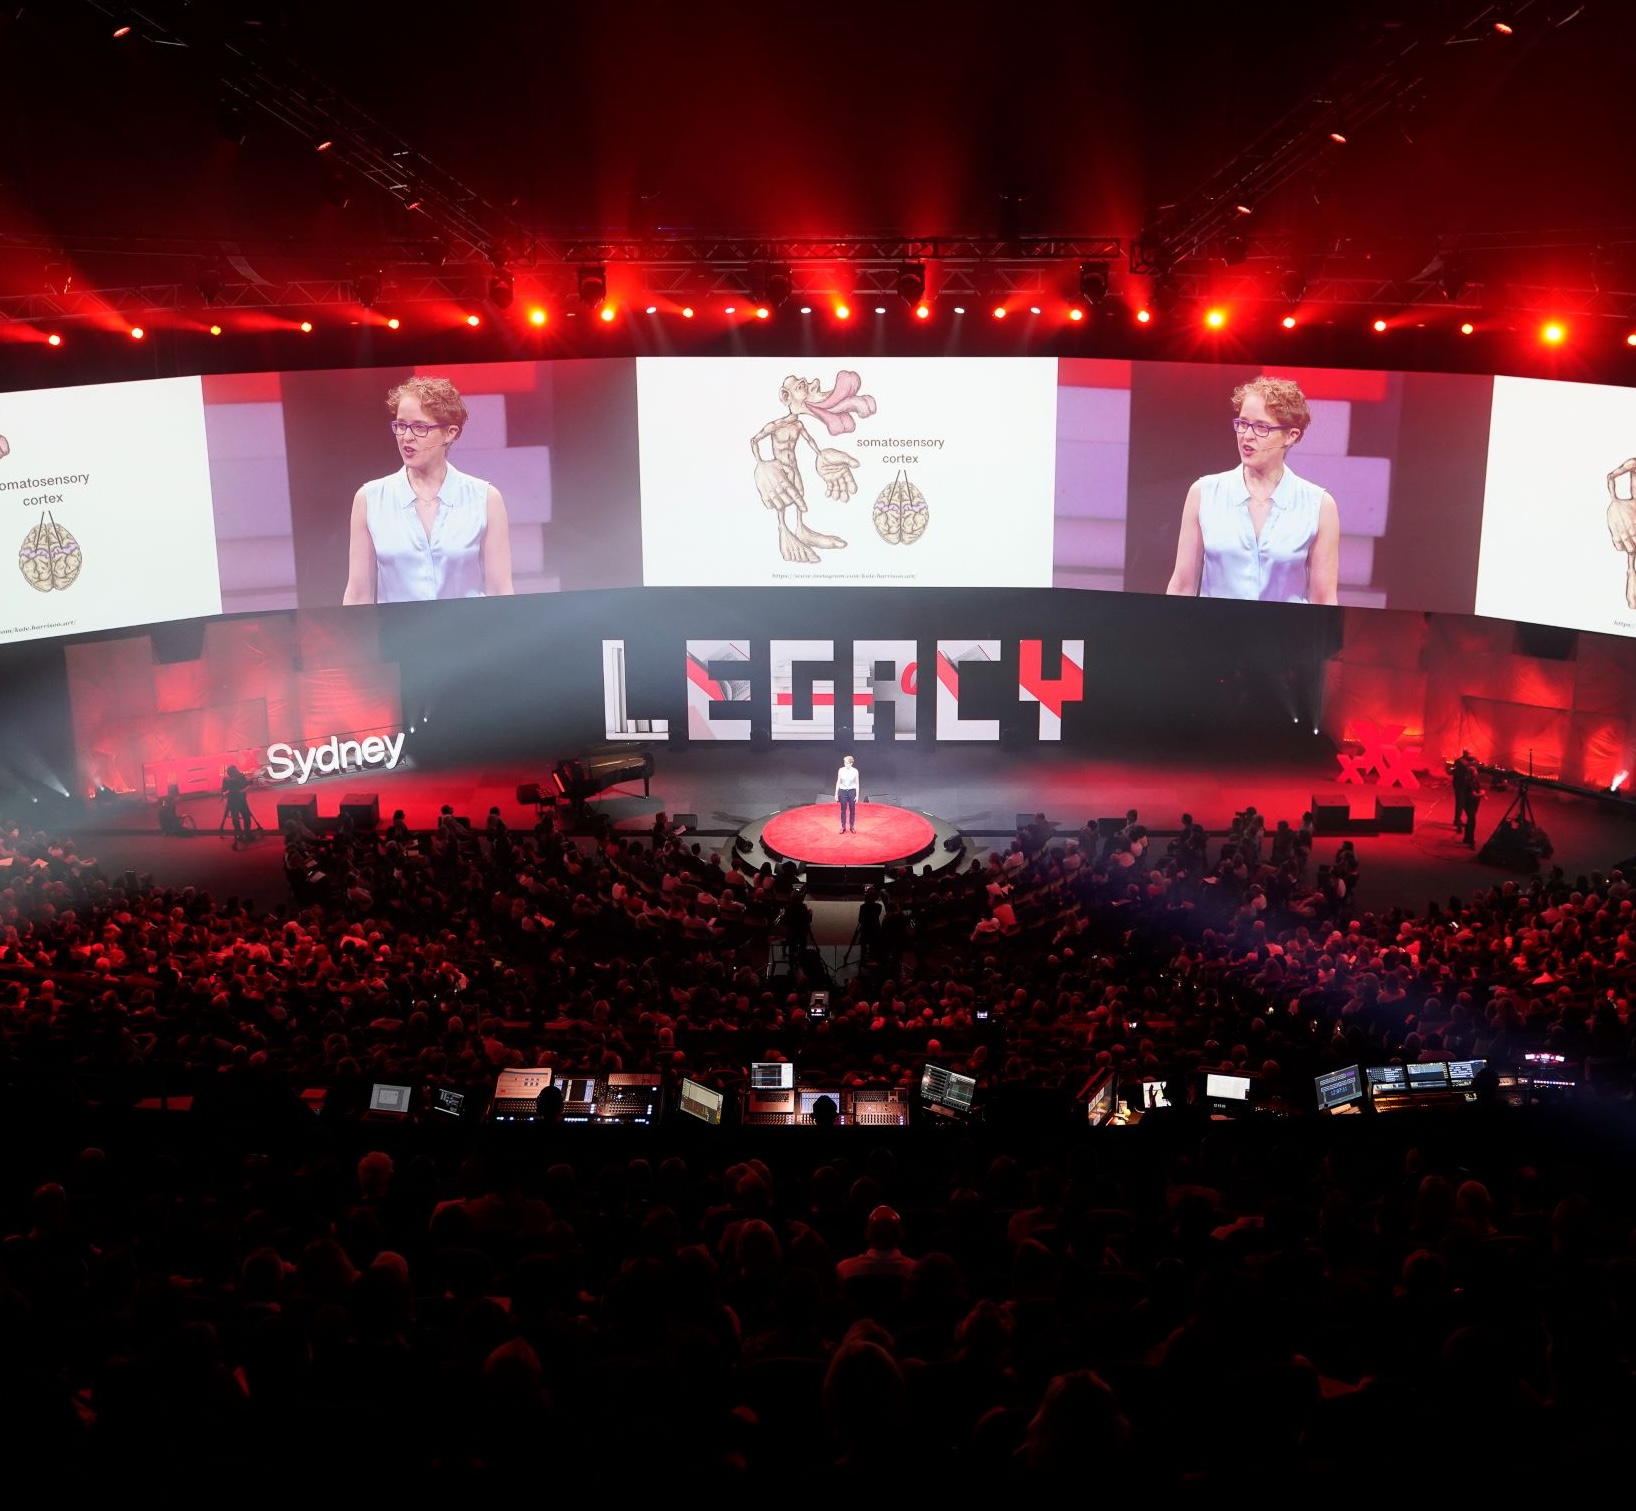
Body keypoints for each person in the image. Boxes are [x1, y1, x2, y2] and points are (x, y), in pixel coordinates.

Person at [1165, 375, 1340, 604]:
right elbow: (1182, 586)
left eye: (1261, 427)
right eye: (1243, 423)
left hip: (1284, 637)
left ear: (1291, 436)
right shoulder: (1204, 493)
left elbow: (1323, 599)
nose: (1247, 436)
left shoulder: (1319, 505)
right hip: (1214, 633)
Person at [343, 376, 514, 604]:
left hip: (470, 634)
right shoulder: (370, 499)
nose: (406, 437)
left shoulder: (484, 498)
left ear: (450, 432)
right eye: (401, 425)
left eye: (419, 427)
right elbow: (358, 594)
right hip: (398, 636)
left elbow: (500, 591)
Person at [1451, 750, 1483, 847]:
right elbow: (1456, 773)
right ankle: (1458, 821)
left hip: (1468, 795)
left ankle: (1467, 837)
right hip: (1461, 788)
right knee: (1461, 806)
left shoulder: (1473, 765)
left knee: (1470, 817)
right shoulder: (1459, 762)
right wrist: (1481, 794)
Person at [221, 764, 254, 847]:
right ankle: (240, 835)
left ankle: (247, 833)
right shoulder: (227, 780)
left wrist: (242, 791)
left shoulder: (241, 777)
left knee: (246, 817)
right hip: (233, 802)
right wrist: (226, 793)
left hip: (241, 801)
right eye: (234, 771)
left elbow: (248, 784)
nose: (237, 772)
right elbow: (223, 791)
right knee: (236, 819)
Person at [835, 753, 860, 834]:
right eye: (845, 762)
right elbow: (838, 782)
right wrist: (836, 794)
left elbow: (857, 783)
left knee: (852, 810)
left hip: (852, 791)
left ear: (851, 763)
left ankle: (852, 826)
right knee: (843, 810)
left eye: (847, 763)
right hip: (843, 791)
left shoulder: (855, 771)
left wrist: (857, 795)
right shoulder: (841, 770)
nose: (845, 764)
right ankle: (843, 827)